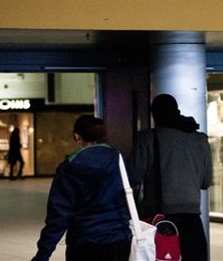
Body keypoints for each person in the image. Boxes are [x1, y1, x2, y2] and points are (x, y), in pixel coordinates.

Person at [32, 115, 131, 261]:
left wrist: (43, 253)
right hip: (118, 239)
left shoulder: (69, 167)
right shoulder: (119, 159)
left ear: (77, 136)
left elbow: (59, 215)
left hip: (84, 242)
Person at [129, 94, 213, 261]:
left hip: (158, 216)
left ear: (155, 114)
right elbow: (206, 181)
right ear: (177, 110)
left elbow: (134, 175)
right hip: (192, 218)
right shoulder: (200, 139)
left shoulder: (147, 138)